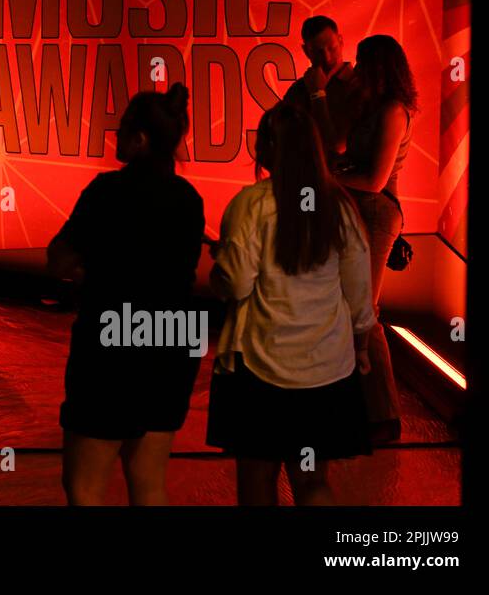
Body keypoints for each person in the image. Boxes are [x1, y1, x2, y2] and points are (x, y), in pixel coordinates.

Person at [207, 104, 375, 504]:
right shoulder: (339, 206)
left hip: (259, 372)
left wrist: (219, 268)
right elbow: (359, 291)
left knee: (257, 481)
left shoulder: (251, 204)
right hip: (326, 370)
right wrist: (362, 345)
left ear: (267, 149)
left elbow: (235, 283)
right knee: (312, 481)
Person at [48, 84, 204, 505]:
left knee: (85, 487)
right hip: (171, 345)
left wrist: (93, 272)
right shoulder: (190, 200)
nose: (115, 139)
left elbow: (59, 260)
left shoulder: (105, 192)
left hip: (111, 349)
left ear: (140, 139)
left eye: (121, 131)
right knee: (149, 481)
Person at [332, 35, 417, 445]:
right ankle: (369, 412)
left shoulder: (392, 111)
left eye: (364, 63)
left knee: (364, 311)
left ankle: (384, 417)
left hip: (378, 211)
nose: (357, 68)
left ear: (379, 67)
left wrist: (327, 178)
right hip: (359, 210)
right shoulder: (374, 107)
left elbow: (375, 181)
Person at [283, 16, 354, 157]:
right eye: (318, 52)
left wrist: (317, 94)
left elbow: (337, 146)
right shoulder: (297, 91)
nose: (327, 58)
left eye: (332, 48)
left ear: (341, 41)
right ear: (306, 51)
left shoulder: (360, 85)